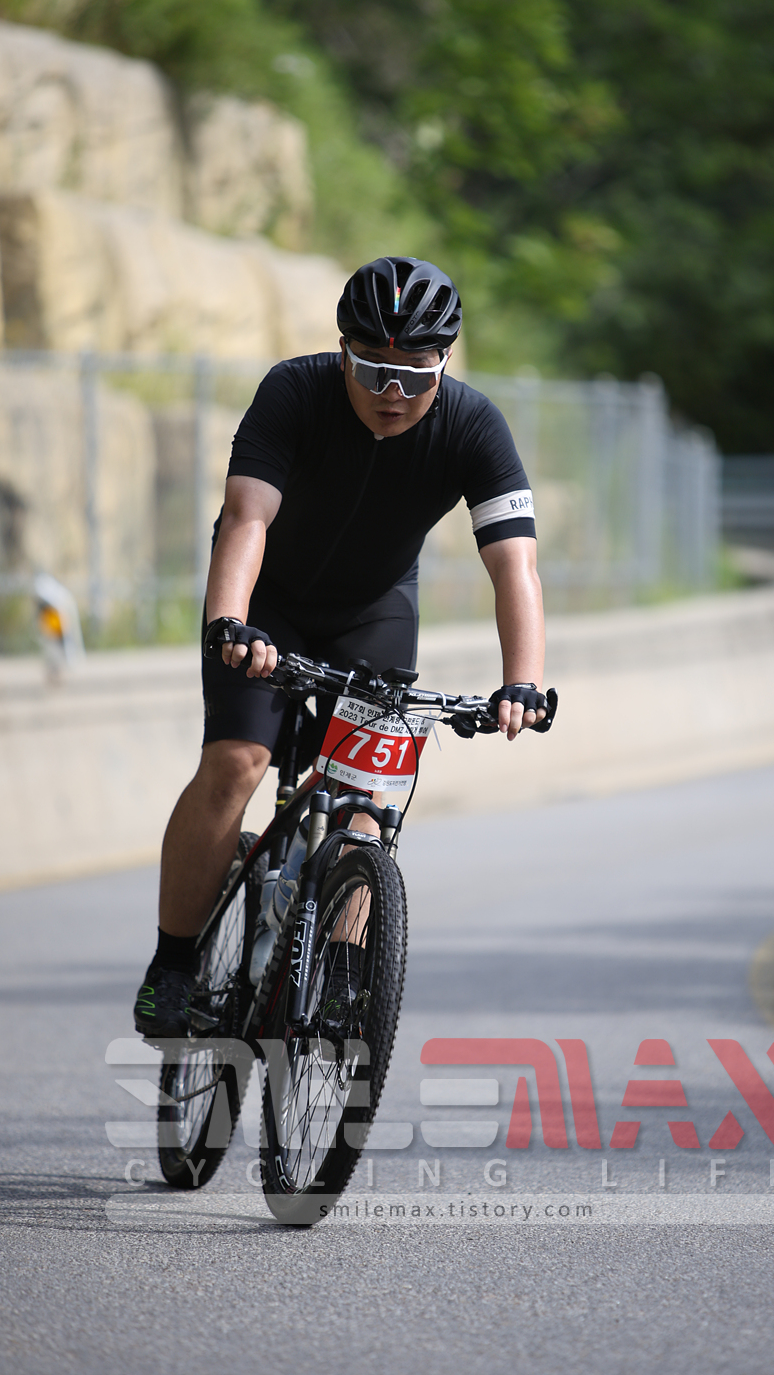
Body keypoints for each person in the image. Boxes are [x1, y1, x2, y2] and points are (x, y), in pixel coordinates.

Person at [133, 256, 552, 1037]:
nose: (393, 392)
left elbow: (514, 565)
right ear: (341, 352)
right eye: (371, 369)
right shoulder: (294, 392)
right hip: (266, 606)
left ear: (445, 362)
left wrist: (521, 681)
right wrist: (230, 625)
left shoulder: (473, 425)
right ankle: (174, 963)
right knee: (238, 762)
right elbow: (246, 519)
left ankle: (341, 978)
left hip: (374, 612)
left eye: (415, 375)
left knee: (369, 802)